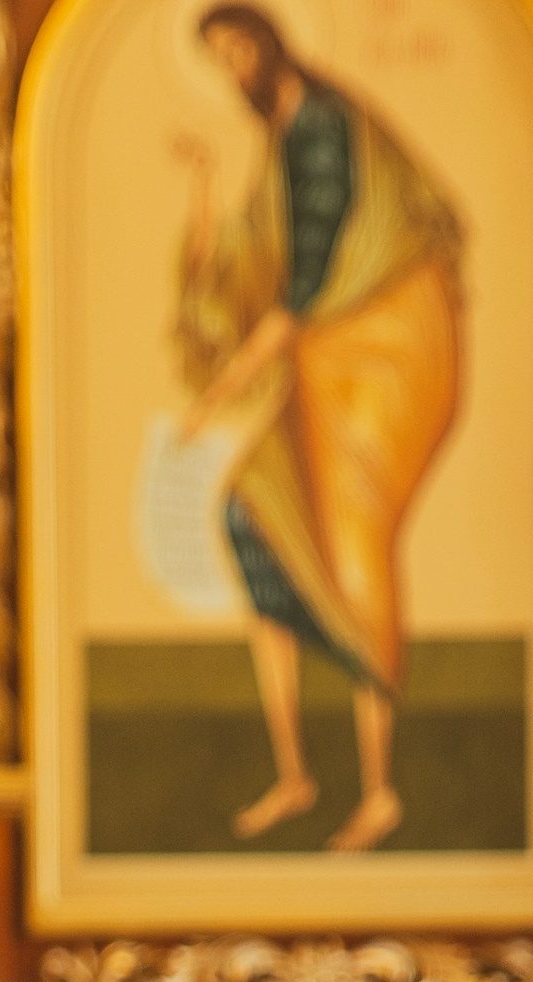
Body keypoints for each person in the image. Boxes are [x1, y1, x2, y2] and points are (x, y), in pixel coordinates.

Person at [176, 5, 461, 852]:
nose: (231, 72)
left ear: (268, 46)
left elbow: (306, 284)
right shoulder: (285, 142)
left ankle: (379, 789)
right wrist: (196, 186)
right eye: (217, 59)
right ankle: (297, 774)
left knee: (352, 541)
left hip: (383, 352)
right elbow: (239, 265)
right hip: (322, 358)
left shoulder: (325, 132)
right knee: (252, 516)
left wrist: (224, 387)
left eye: (236, 52)